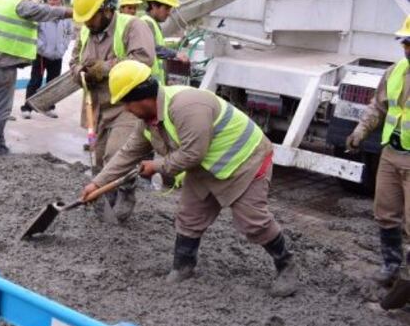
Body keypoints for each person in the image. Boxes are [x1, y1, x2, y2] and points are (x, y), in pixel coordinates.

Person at [83, 60, 299, 297]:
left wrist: (156, 166)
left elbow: (193, 154)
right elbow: (128, 153)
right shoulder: (147, 122)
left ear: (142, 97)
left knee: (252, 221)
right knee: (189, 216)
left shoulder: (187, 106)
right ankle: (183, 266)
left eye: (127, 102)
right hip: (206, 166)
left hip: (245, 160)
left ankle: (286, 265)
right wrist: (97, 183)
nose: (126, 109)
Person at [69, 0, 156, 223]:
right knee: (99, 160)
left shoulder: (132, 26)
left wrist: (104, 68)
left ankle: (126, 194)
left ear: (106, 10)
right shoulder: (86, 31)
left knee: (116, 154)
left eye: (91, 18)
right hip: (97, 107)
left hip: (128, 105)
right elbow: (74, 61)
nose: (87, 23)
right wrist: (80, 72)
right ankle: (105, 200)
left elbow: (143, 59)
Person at [346, 16, 410, 308]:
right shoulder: (396, 72)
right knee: (385, 212)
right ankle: (391, 266)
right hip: (392, 153)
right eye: (405, 42)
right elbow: (379, 106)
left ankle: (406, 280)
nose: (407, 48)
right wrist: (360, 131)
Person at [0, 0, 73, 156]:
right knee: (0, 107)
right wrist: (74, 12)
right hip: (2, 63)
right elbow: (45, 11)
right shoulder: (20, 5)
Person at [20, 0, 76, 119]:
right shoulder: (41, 14)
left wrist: (63, 47)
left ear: (61, 0)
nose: (52, 2)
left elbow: (69, 33)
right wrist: (41, 47)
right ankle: (27, 107)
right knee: (35, 81)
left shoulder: (66, 16)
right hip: (41, 55)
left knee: (53, 83)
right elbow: (33, 32)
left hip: (57, 55)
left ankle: (49, 107)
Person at [142, 0, 188, 82]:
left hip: (155, 83)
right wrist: (175, 54)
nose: (169, 12)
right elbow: (153, 48)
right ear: (154, 6)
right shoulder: (146, 23)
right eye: (166, 8)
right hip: (149, 84)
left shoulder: (153, 24)